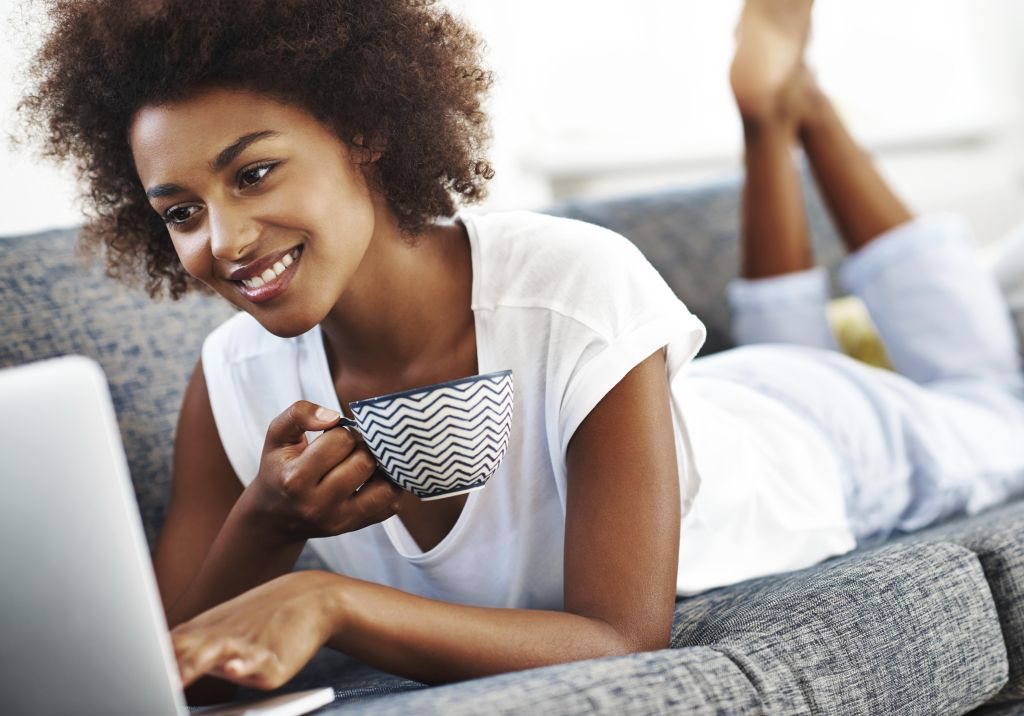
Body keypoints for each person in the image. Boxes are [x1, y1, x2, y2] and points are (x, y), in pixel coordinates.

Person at [20, 0, 1024, 703]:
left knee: (992, 403)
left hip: (806, 437)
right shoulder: (233, 379)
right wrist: (268, 518)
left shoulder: (571, 284)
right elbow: (155, 663)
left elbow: (620, 634)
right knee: (784, 341)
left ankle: (786, 112)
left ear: (362, 130)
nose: (224, 241)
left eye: (256, 172)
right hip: (708, 411)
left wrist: (323, 595)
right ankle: (773, 114)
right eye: (181, 211)